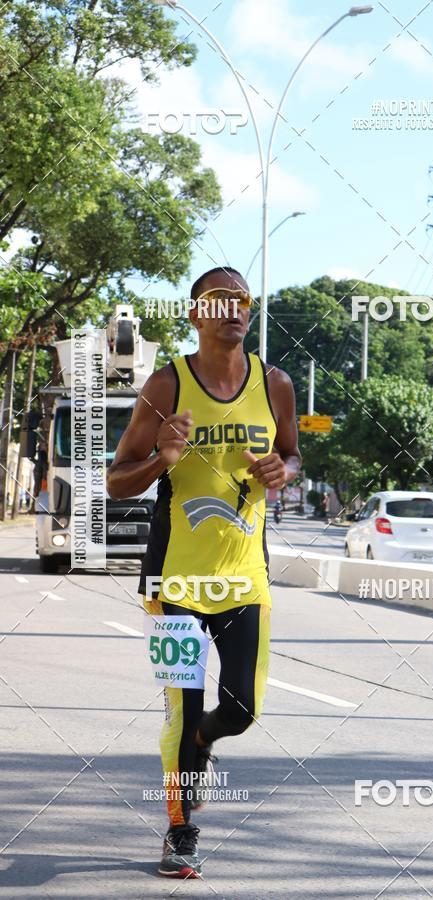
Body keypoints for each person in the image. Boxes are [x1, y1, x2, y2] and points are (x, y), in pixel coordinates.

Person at [107, 267, 301, 878]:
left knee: (240, 709)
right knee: (184, 709)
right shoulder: (166, 386)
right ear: (195, 315)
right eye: (217, 302)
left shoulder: (276, 385)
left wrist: (284, 471)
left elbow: (292, 452)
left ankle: (204, 741)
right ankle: (181, 830)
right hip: (174, 583)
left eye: (240, 301)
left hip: (246, 578)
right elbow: (115, 482)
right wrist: (161, 458)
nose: (231, 311)